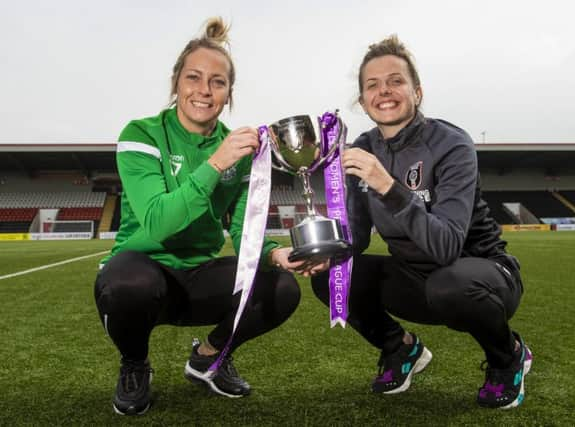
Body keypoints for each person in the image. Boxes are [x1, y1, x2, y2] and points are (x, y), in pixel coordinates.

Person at [94, 17, 309, 416]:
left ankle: (208, 357)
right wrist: (214, 163)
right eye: (193, 77)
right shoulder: (141, 134)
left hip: (199, 278)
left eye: (217, 82)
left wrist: (276, 254)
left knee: (281, 289)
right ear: (176, 83)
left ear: (228, 94)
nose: (204, 91)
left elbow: (246, 230)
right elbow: (158, 222)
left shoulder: (238, 153)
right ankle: (135, 364)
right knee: (128, 283)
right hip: (142, 273)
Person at [311, 35, 532, 409]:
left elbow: (446, 247)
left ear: (417, 91)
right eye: (372, 85)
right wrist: (322, 246)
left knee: (450, 285)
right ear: (363, 101)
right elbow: (358, 238)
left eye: (396, 81)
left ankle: (507, 357)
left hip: (482, 277)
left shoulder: (452, 145)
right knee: (332, 276)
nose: (384, 91)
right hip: (414, 279)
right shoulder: (361, 149)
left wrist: (387, 185)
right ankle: (401, 350)